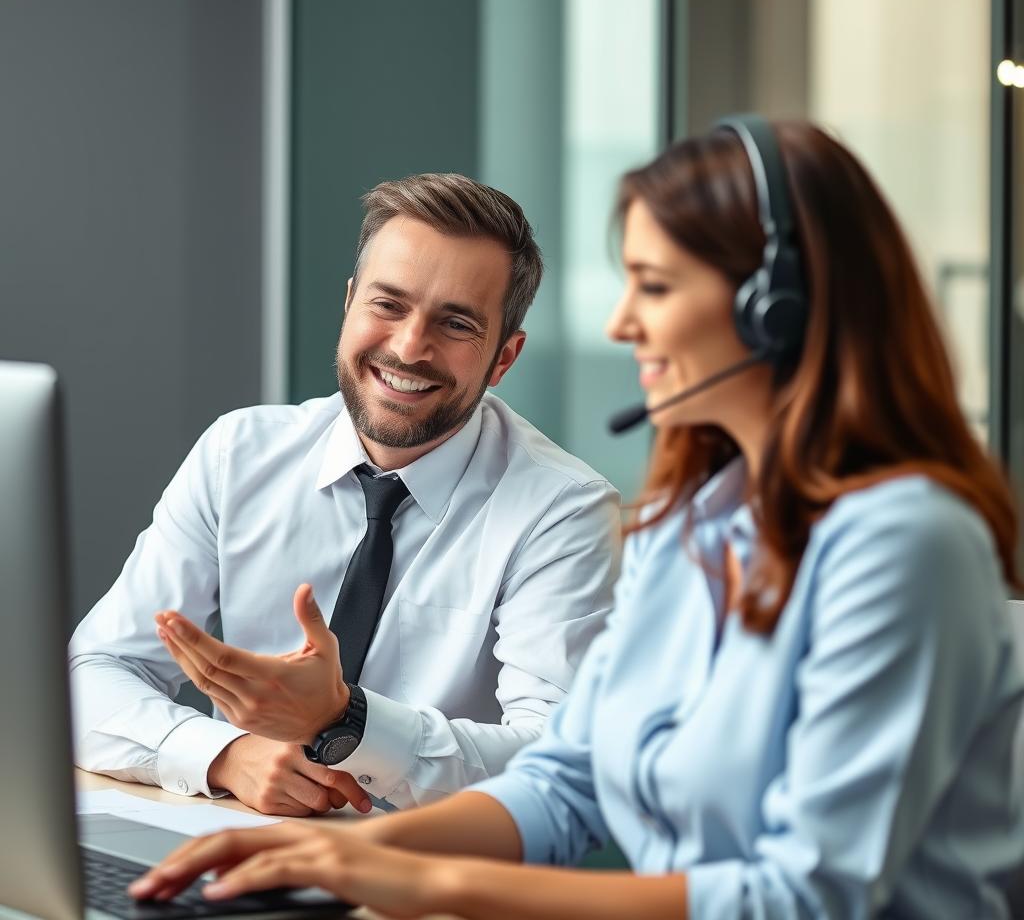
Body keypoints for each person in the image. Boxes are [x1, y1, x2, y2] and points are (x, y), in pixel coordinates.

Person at [131, 117, 1024, 919]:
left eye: (655, 285)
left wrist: (421, 883)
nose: (621, 322)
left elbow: (805, 896)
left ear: (777, 313)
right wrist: (331, 854)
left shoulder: (908, 543)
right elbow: (565, 786)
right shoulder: (696, 523)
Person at [70, 173, 620, 817]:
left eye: (457, 323)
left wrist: (346, 720)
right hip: (247, 847)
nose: (410, 347)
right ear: (350, 303)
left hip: (434, 882)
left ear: (503, 358)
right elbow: (92, 674)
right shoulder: (237, 455)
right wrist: (225, 755)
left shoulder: (564, 510)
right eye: (388, 305)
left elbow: (554, 763)